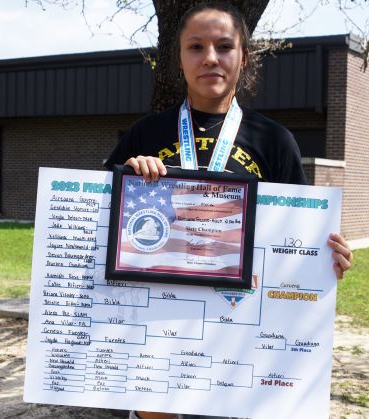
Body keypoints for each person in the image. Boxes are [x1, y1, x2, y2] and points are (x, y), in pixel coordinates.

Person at [105, 3, 353, 418]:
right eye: (195, 47)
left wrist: (324, 260)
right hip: (156, 334)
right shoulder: (146, 134)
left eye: (224, 46)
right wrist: (128, 178)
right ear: (179, 58)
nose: (210, 58)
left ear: (243, 56)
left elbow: (298, 238)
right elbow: (99, 229)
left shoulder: (274, 141)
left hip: (237, 341)